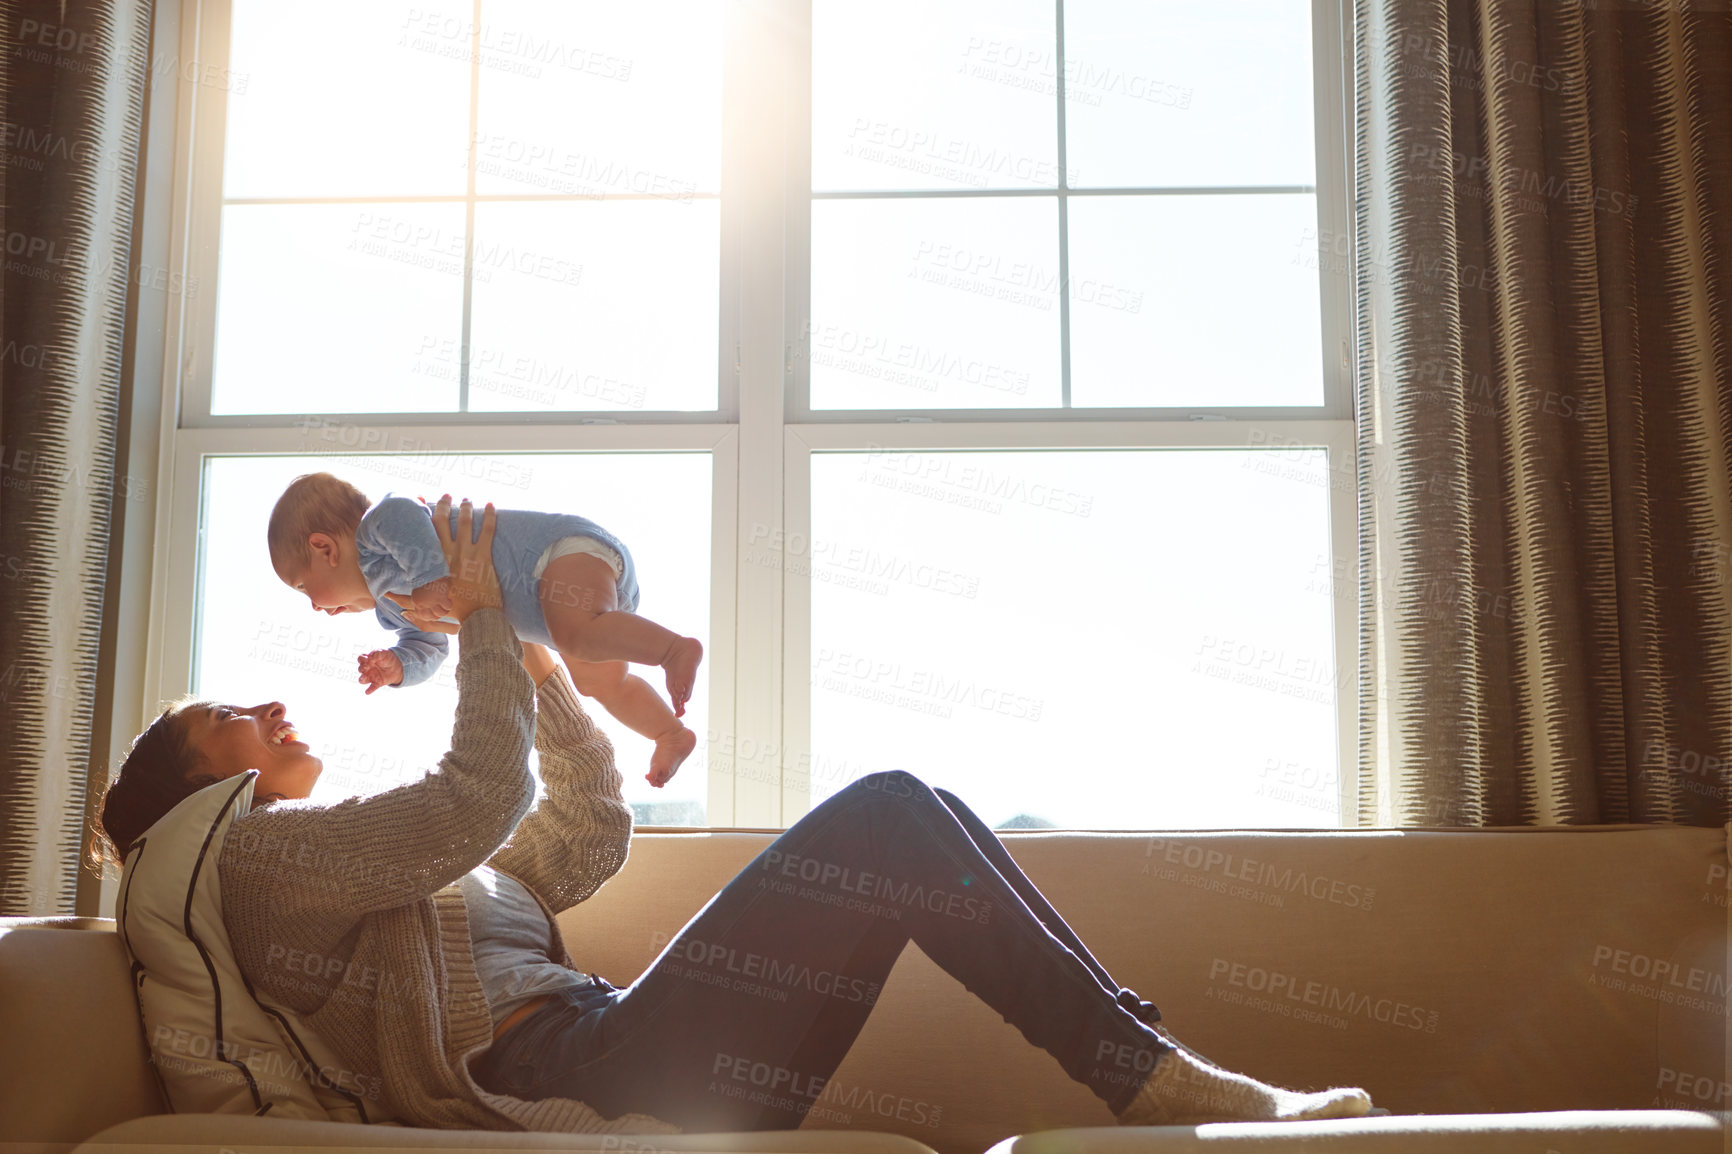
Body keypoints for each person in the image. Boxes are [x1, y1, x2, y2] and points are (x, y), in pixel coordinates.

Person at [90, 497, 1373, 1134]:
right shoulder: (252, 865)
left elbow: (580, 837)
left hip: (615, 1039)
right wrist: (483, 610)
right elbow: (473, 799)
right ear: (194, 784)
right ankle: (1148, 1080)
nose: (262, 702)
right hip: (573, 1079)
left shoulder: (352, 857)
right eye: (225, 714)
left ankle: (1146, 1069)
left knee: (910, 807)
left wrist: (535, 664)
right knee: (880, 811)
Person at [265, 472, 703, 785]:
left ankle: (672, 650)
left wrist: (430, 580)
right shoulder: (392, 608)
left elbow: (404, 514)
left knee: (577, 635)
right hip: (572, 610)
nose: (315, 608)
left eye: (305, 588)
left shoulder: (374, 533)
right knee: (599, 682)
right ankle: (669, 733)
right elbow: (430, 647)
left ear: (324, 548)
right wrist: (398, 667)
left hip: (557, 555)